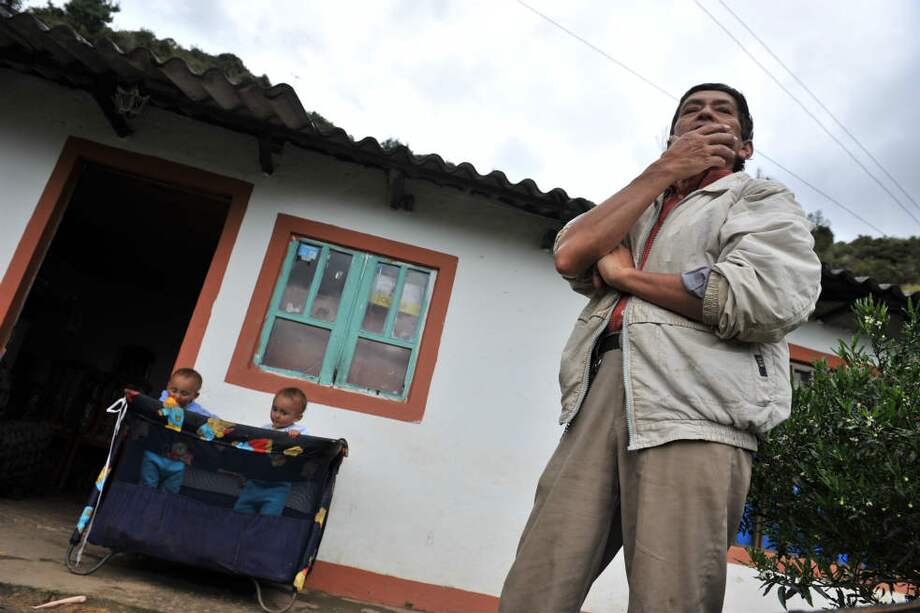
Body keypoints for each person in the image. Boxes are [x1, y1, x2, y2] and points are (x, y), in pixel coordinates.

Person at [499, 83, 822, 613]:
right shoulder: (638, 208)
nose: (704, 116)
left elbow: (760, 298)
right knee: (537, 582)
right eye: (690, 112)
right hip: (600, 393)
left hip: (698, 405)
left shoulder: (760, 199)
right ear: (671, 136)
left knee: (671, 595)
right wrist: (661, 173)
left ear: (744, 147)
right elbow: (571, 253)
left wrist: (629, 276)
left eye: (722, 112)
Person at [233, 387, 308, 516]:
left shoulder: (299, 431)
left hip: (277, 487)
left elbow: (305, 447)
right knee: (240, 512)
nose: (277, 415)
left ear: (297, 417)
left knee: (268, 519)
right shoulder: (264, 429)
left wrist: (297, 438)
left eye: (284, 413)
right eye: (274, 409)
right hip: (254, 483)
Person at [139, 367, 209, 493]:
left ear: (195, 395)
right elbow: (157, 408)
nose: (177, 396)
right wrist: (169, 406)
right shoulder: (163, 399)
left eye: (184, 393)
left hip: (178, 463)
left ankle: (160, 511)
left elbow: (210, 420)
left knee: (170, 492)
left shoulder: (196, 410)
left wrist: (220, 425)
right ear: (168, 386)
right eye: (174, 390)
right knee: (147, 486)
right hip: (154, 454)